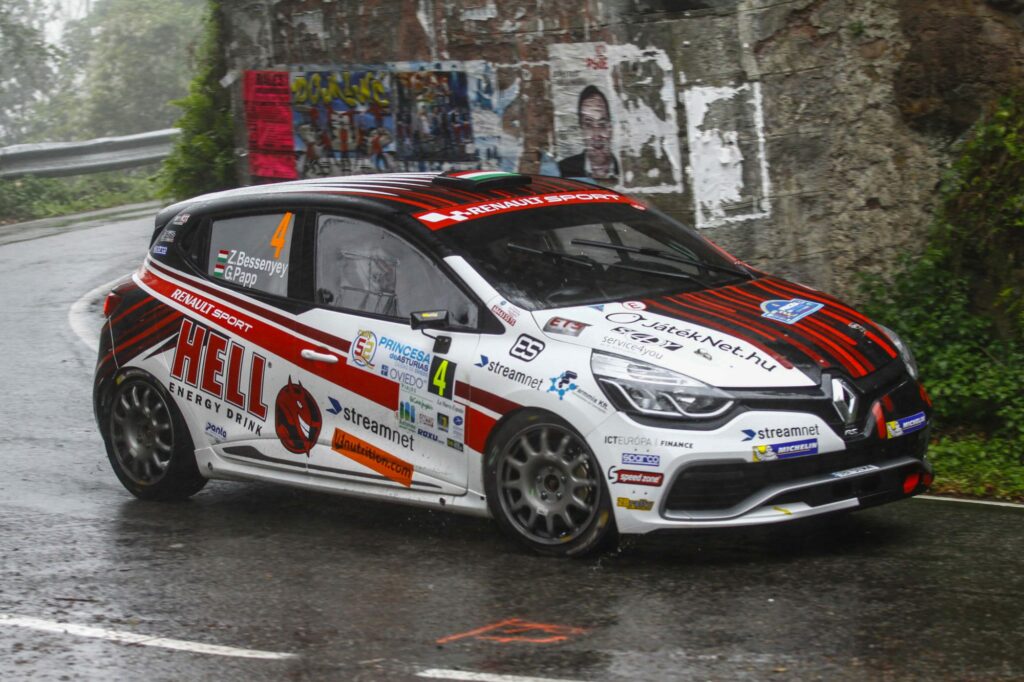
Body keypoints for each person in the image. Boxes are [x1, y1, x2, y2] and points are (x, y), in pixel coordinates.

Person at [558, 85, 619, 181]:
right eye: (588, 125)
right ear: (581, 130)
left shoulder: (626, 170)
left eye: (602, 124)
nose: (597, 135)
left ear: (610, 128)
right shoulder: (561, 172)